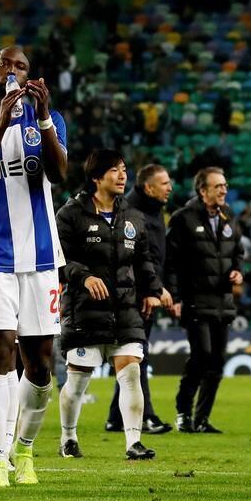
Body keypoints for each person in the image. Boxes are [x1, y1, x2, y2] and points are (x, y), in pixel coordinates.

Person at [0, 47, 69, 488]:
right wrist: (2, 121)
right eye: (6, 64)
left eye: (22, 66)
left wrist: (43, 118)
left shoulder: (48, 120)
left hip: (43, 257)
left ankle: (23, 449)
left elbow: (59, 172)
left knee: (41, 365)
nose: (14, 71)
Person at [56, 149, 169, 460]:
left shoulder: (133, 216)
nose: (122, 176)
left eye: (124, 170)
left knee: (131, 371)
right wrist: (84, 277)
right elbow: (58, 260)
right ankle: (68, 437)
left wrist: (152, 291)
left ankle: (133, 442)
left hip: (125, 309)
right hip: (85, 310)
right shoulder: (70, 214)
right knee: (78, 380)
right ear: (96, 177)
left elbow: (144, 259)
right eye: (115, 171)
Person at [165, 165, 243, 435]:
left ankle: (202, 418)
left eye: (225, 185)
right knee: (202, 355)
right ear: (202, 190)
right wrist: (174, 297)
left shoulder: (229, 216)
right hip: (195, 299)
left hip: (223, 301)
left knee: (217, 362)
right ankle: (183, 411)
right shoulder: (183, 219)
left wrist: (238, 272)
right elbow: (171, 262)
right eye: (218, 185)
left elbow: (238, 253)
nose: (224, 190)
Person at [106, 163, 174, 436]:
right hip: (134, 295)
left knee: (131, 357)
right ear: (149, 187)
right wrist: (149, 290)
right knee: (136, 357)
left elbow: (154, 255)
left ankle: (115, 417)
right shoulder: (131, 212)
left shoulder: (153, 210)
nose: (169, 187)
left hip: (146, 292)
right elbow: (132, 256)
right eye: (164, 183)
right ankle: (146, 416)